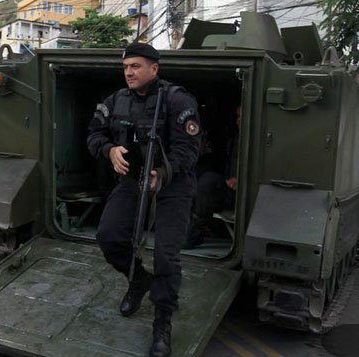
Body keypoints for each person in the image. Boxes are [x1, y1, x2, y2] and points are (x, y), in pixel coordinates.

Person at [86, 42, 201, 357]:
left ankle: (162, 322)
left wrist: (164, 172)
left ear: (154, 68)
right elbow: (94, 134)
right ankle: (138, 281)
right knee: (109, 237)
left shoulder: (177, 99)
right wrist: (109, 150)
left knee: (166, 255)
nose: (129, 72)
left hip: (172, 183)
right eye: (125, 67)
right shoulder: (115, 101)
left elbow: (189, 148)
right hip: (132, 179)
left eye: (136, 66)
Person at [185, 104, 241, 249]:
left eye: (241, 117)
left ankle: (196, 232)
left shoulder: (255, 141)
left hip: (242, 193)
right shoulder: (235, 138)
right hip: (227, 186)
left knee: (208, 181)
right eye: (237, 117)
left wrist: (241, 181)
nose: (238, 121)